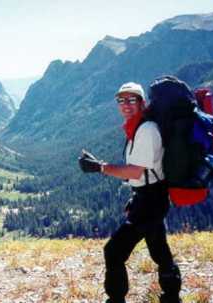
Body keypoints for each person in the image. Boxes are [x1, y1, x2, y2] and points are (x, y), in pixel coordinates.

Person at [78, 82, 182, 303]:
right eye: (121, 100)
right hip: (149, 197)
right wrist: (136, 197)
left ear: (142, 103)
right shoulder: (136, 127)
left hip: (152, 200)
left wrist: (100, 167)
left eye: (131, 99)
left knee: (113, 251)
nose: (125, 104)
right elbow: (143, 172)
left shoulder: (146, 131)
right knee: (158, 248)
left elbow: (135, 171)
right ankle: (172, 295)